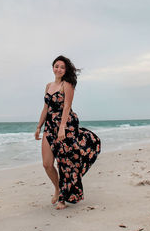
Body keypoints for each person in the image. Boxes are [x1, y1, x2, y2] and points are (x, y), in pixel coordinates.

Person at [35, 55, 101, 210]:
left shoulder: (68, 84)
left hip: (66, 126)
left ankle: (63, 198)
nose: (58, 69)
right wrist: (39, 126)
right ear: (53, 67)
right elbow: (46, 108)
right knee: (47, 164)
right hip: (50, 126)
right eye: (56, 66)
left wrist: (63, 127)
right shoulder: (48, 86)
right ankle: (58, 189)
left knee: (65, 163)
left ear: (65, 70)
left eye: (62, 67)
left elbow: (67, 106)